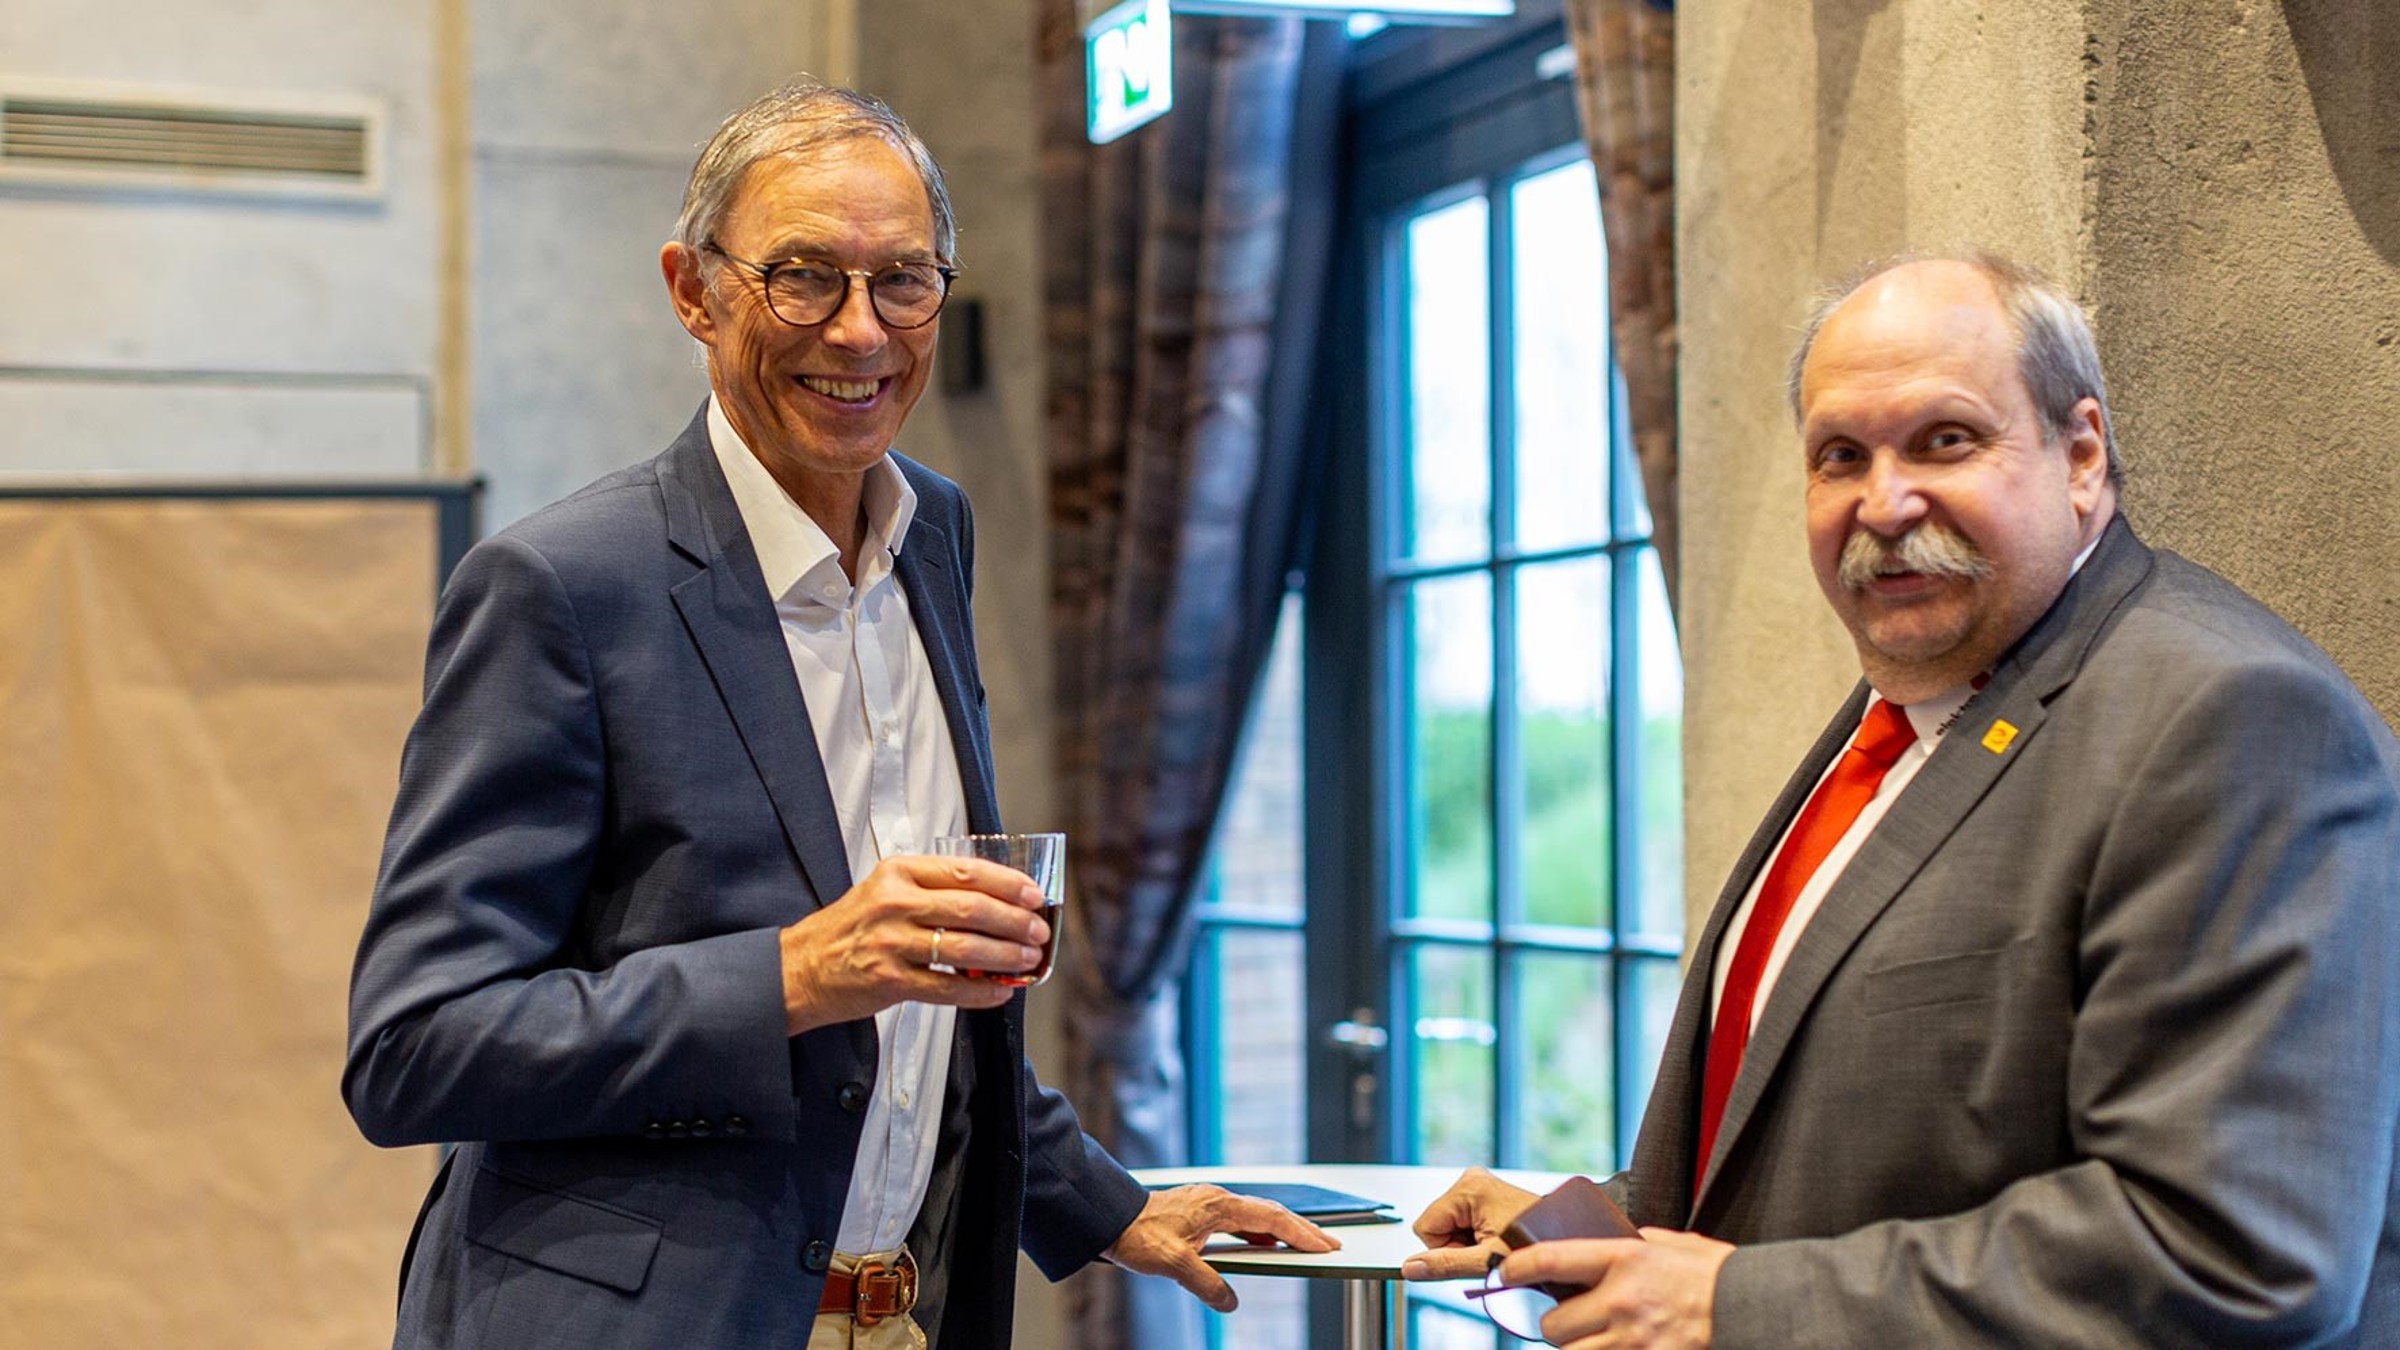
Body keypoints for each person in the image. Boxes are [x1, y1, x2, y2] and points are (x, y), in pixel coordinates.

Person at [343, 81, 1330, 1350]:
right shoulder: (562, 587)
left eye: (903, 281)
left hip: (898, 1317)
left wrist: (1104, 1204)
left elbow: (916, 1017)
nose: (861, 332)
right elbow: (416, 1046)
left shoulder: (934, 535)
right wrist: (797, 976)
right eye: (803, 277)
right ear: (694, 292)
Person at [1404, 253, 2400, 1347]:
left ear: (2080, 455)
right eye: (1841, 456)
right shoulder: (1913, 700)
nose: (1884, 503)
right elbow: (1859, 1146)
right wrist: (1603, 1231)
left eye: (1946, 440)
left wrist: (1732, 1304)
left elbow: (2231, 1253)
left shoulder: (2234, 719)